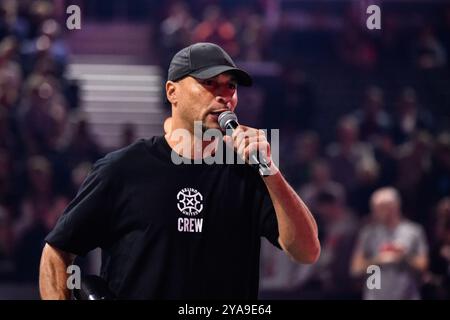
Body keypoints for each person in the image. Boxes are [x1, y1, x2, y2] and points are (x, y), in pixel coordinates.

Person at [39, 42, 320, 299]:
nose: (224, 96)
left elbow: (306, 251)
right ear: (172, 92)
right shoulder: (122, 170)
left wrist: (269, 168)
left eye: (230, 86)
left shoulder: (247, 173)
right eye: (209, 83)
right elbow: (57, 252)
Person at [350, 187, 428, 300]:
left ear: (393, 207)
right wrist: (378, 260)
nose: (375, 212)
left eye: (379, 208)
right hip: (375, 296)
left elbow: (423, 265)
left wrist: (403, 256)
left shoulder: (414, 231)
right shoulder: (368, 233)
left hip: (407, 295)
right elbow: (355, 268)